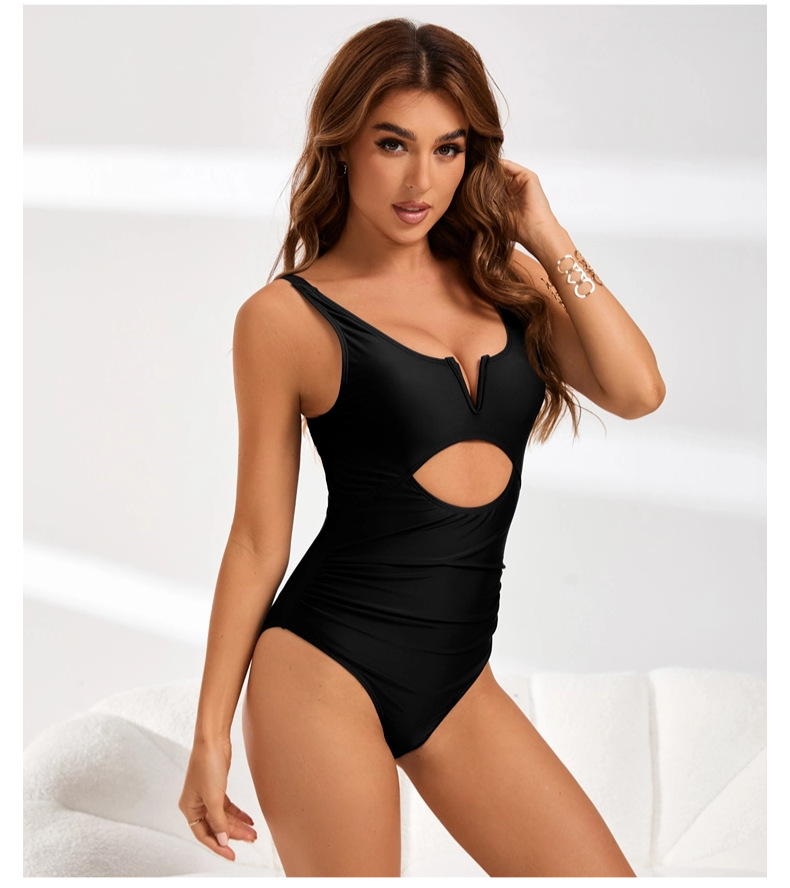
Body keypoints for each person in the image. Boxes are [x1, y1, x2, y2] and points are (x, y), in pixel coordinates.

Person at [178, 18, 664, 877]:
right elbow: (257, 539)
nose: (420, 181)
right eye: (393, 143)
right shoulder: (285, 318)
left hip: (457, 673)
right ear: (342, 145)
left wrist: (545, 233)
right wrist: (209, 737)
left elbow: (637, 391)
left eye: (448, 149)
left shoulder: (505, 282)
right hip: (321, 667)